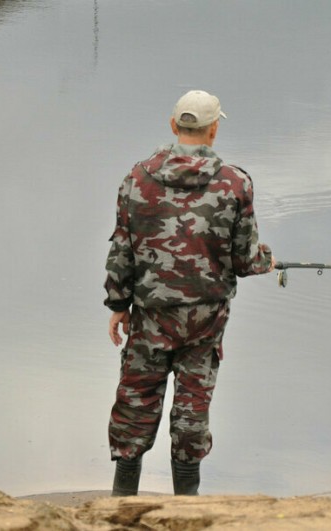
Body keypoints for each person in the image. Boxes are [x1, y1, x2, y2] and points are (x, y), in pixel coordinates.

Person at [103, 89, 275, 496]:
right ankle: (187, 507)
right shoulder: (235, 184)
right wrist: (267, 259)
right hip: (205, 319)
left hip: (149, 315)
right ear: (214, 130)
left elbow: (121, 249)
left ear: (173, 125)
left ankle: (122, 502)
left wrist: (117, 303)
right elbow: (246, 261)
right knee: (193, 405)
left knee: (136, 402)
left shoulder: (137, 178)